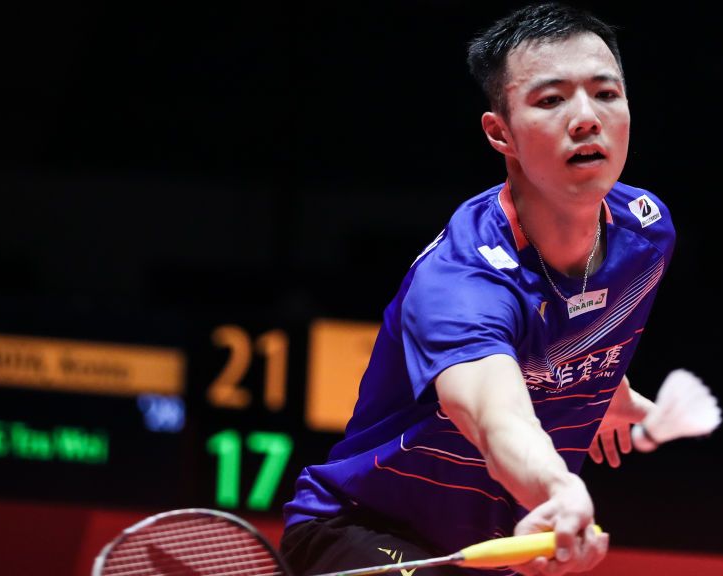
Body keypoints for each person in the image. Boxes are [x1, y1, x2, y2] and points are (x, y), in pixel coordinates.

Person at [281, 3, 675, 575]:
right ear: (501, 133)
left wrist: (610, 389)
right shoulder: (463, 281)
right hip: (363, 530)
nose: (586, 117)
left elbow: (577, 321)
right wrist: (557, 489)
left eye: (606, 93)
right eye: (550, 100)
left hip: (492, 551)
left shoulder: (647, 231)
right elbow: (497, 418)